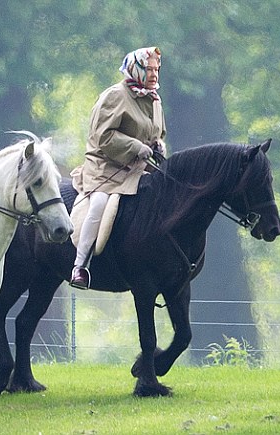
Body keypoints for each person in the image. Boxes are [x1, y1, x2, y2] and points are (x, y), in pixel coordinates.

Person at [70, 46, 167, 289]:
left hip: (138, 168)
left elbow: (158, 132)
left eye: (156, 69)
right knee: (100, 203)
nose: (154, 74)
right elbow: (102, 136)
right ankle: (80, 266)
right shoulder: (114, 96)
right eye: (149, 69)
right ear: (136, 69)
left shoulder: (154, 98)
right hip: (105, 166)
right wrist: (135, 146)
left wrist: (158, 145)